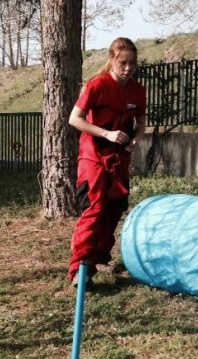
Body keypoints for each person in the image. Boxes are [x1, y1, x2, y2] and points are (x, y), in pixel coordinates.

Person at [67, 37, 147, 286]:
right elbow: (75, 119)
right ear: (111, 60)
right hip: (93, 156)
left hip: (119, 157)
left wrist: (135, 139)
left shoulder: (137, 90)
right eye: (123, 62)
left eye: (132, 63)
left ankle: (98, 252)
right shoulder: (97, 85)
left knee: (116, 205)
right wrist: (106, 133)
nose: (128, 68)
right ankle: (79, 268)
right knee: (95, 207)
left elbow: (141, 123)